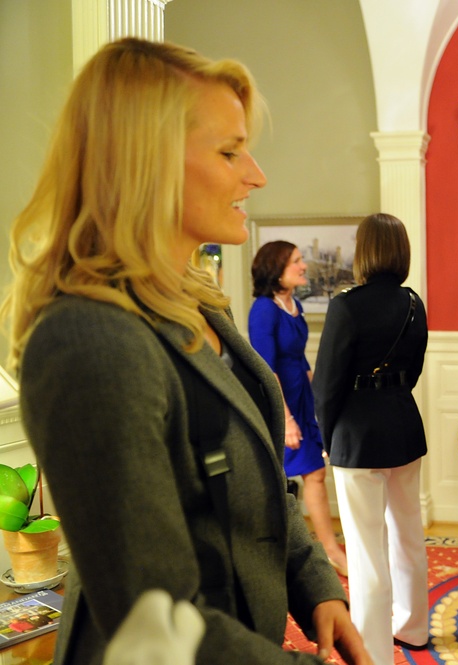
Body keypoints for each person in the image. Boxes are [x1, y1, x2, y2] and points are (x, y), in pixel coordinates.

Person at [3, 37, 371, 665]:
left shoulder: (199, 303)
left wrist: (315, 586)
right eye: (229, 151)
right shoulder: (87, 340)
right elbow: (152, 621)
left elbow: (256, 484)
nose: (256, 175)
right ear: (145, 163)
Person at [313, 213, 430, 665]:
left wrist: (328, 437)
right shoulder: (413, 303)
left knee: (366, 551)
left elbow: (327, 384)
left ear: (364, 251)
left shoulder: (346, 305)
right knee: (408, 533)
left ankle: (375, 654)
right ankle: (413, 628)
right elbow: (413, 370)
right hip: (403, 425)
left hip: (357, 435)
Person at [249, 240, 349, 576]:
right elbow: (266, 368)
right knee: (298, 476)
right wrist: (287, 419)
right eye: (296, 260)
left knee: (314, 473)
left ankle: (324, 551)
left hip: (302, 398)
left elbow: (299, 359)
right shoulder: (263, 309)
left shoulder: (294, 305)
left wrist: (323, 397)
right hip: (279, 402)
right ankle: (316, 552)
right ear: (276, 270)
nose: (304, 265)